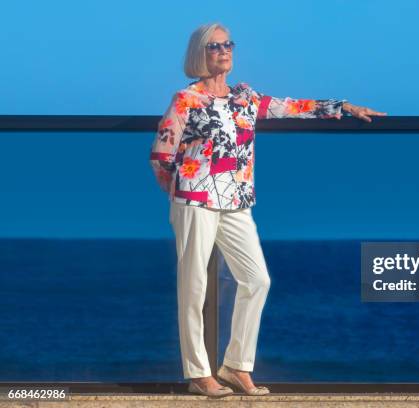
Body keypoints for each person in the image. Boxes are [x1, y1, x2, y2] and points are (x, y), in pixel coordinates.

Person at [149, 22, 386, 397]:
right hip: (195, 199)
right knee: (194, 287)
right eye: (214, 46)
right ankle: (198, 374)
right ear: (200, 53)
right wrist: (181, 194)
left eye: (228, 44)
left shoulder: (245, 98)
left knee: (257, 279)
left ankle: (235, 367)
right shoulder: (186, 99)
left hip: (237, 203)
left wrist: (342, 107)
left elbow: (293, 107)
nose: (224, 50)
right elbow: (162, 154)